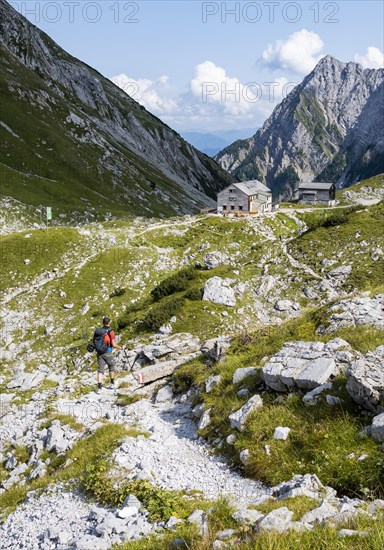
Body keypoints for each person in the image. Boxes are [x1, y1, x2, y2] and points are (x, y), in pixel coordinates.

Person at [96, 317, 123, 391]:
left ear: (103, 322)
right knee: (111, 366)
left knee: (100, 370)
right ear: (109, 323)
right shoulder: (110, 331)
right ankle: (112, 383)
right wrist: (120, 347)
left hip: (99, 352)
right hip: (107, 352)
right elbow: (113, 344)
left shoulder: (99, 331)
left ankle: (99, 387)